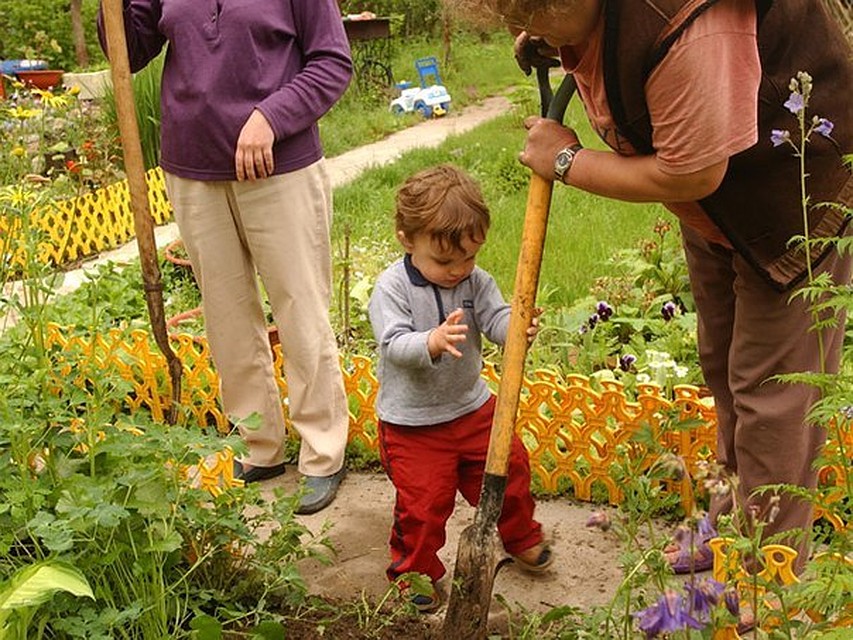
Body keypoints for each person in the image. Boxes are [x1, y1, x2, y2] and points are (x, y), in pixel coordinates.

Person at [450, 0, 852, 575]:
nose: (520, 30)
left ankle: (765, 571)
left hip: (792, 205)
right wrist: (561, 40)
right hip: (720, 211)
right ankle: (726, 530)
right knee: (725, 373)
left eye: (531, 13)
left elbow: (690, 171)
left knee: (771, 395)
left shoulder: (688, 26)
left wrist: (565, 159)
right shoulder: (594, 14)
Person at [97, 0, 352, 513]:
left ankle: (323, 453)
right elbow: (129, 53)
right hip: (192, 169)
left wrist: (270, 117)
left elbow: (332, 62)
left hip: (280, 168)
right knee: (228, 316)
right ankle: (259, 444)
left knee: (301, 310)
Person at [368, 164, 553, 612]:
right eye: (445, 261)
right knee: (423, 507)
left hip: (472, 408)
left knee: (510, 469)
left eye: (468, 258)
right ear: (407, 240)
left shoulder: (475, 281)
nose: (458, 270)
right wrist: (429, 341)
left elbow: (493, 319)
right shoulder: (391, 288)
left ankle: (521, 536)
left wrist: (516, 327)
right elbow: (393, 344)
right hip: (414, 425)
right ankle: (415, 571)